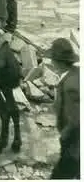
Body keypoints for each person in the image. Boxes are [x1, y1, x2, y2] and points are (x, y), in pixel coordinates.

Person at [46, 37, 80, 179]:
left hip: (74, 146)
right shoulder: (75, 73)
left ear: (57, 62)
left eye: (52, 59)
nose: (51, 63)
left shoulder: (70, 86)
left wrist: (64, 136)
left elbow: (75, 120)